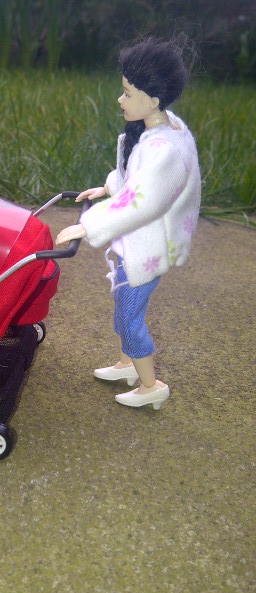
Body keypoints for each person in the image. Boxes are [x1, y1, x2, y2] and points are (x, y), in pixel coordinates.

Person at [55, 36, 201, 409]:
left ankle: (151, 384)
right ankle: (127, 366)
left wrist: (89, 226)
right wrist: (107, 187)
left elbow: (143, 201)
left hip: (147, 248)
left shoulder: (165, 149)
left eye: (127, 93)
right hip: (137, 242)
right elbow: (135, 180)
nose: (120, 100)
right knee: (122, 306)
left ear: (152, 100)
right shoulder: (160, 131)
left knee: (130, 316)